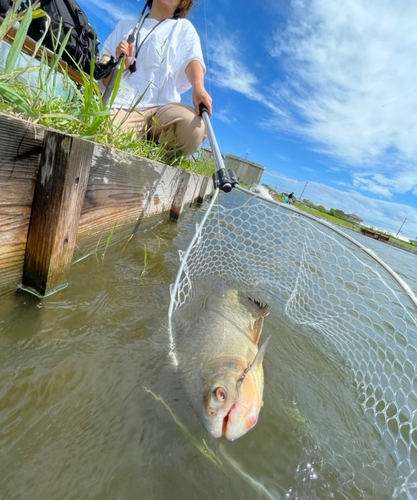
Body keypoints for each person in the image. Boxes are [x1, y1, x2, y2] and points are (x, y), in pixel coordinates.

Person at [99, 0, 212, 157]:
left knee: (193, 128)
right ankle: (141, 141)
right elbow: (104, 80)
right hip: (123, 106)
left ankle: (156, 152)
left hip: (163, 111)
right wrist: (121, 66)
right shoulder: (124, 26)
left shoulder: (184, 28)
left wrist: (198, 86)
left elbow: (192, 59)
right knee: (103, 133)